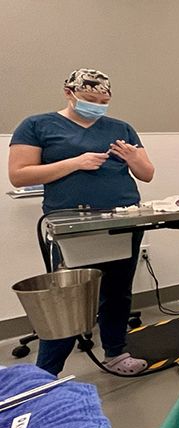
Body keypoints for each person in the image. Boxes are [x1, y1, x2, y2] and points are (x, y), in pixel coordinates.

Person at [8, 68, 155, 376]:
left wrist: (132, 158)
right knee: (67, 297)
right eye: (90, 98)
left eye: (103, 100)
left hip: (122, 218)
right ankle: (46, 374)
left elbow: (146, 173)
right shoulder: (38, 125)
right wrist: (76, 162)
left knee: (118, 290)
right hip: (71, 223)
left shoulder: (121, 128)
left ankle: (115, 353)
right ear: (69, 93)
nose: (97, 105)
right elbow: (19, 175)